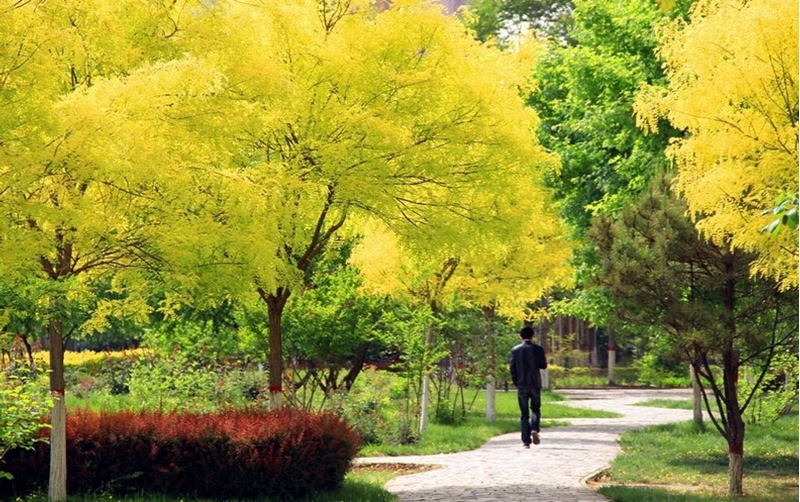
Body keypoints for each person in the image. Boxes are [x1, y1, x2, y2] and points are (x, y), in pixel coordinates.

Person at [510, 326, 548, 448]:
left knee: (524, 413)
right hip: (535, 383)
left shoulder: (515, 350)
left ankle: (526, 442)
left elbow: (512, 368)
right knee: (535, 409)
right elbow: (543, 365)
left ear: (520, 337)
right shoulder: (538, 349)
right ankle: (535, 429)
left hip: (522, 384)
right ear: (533, 336)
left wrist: (516, 381)